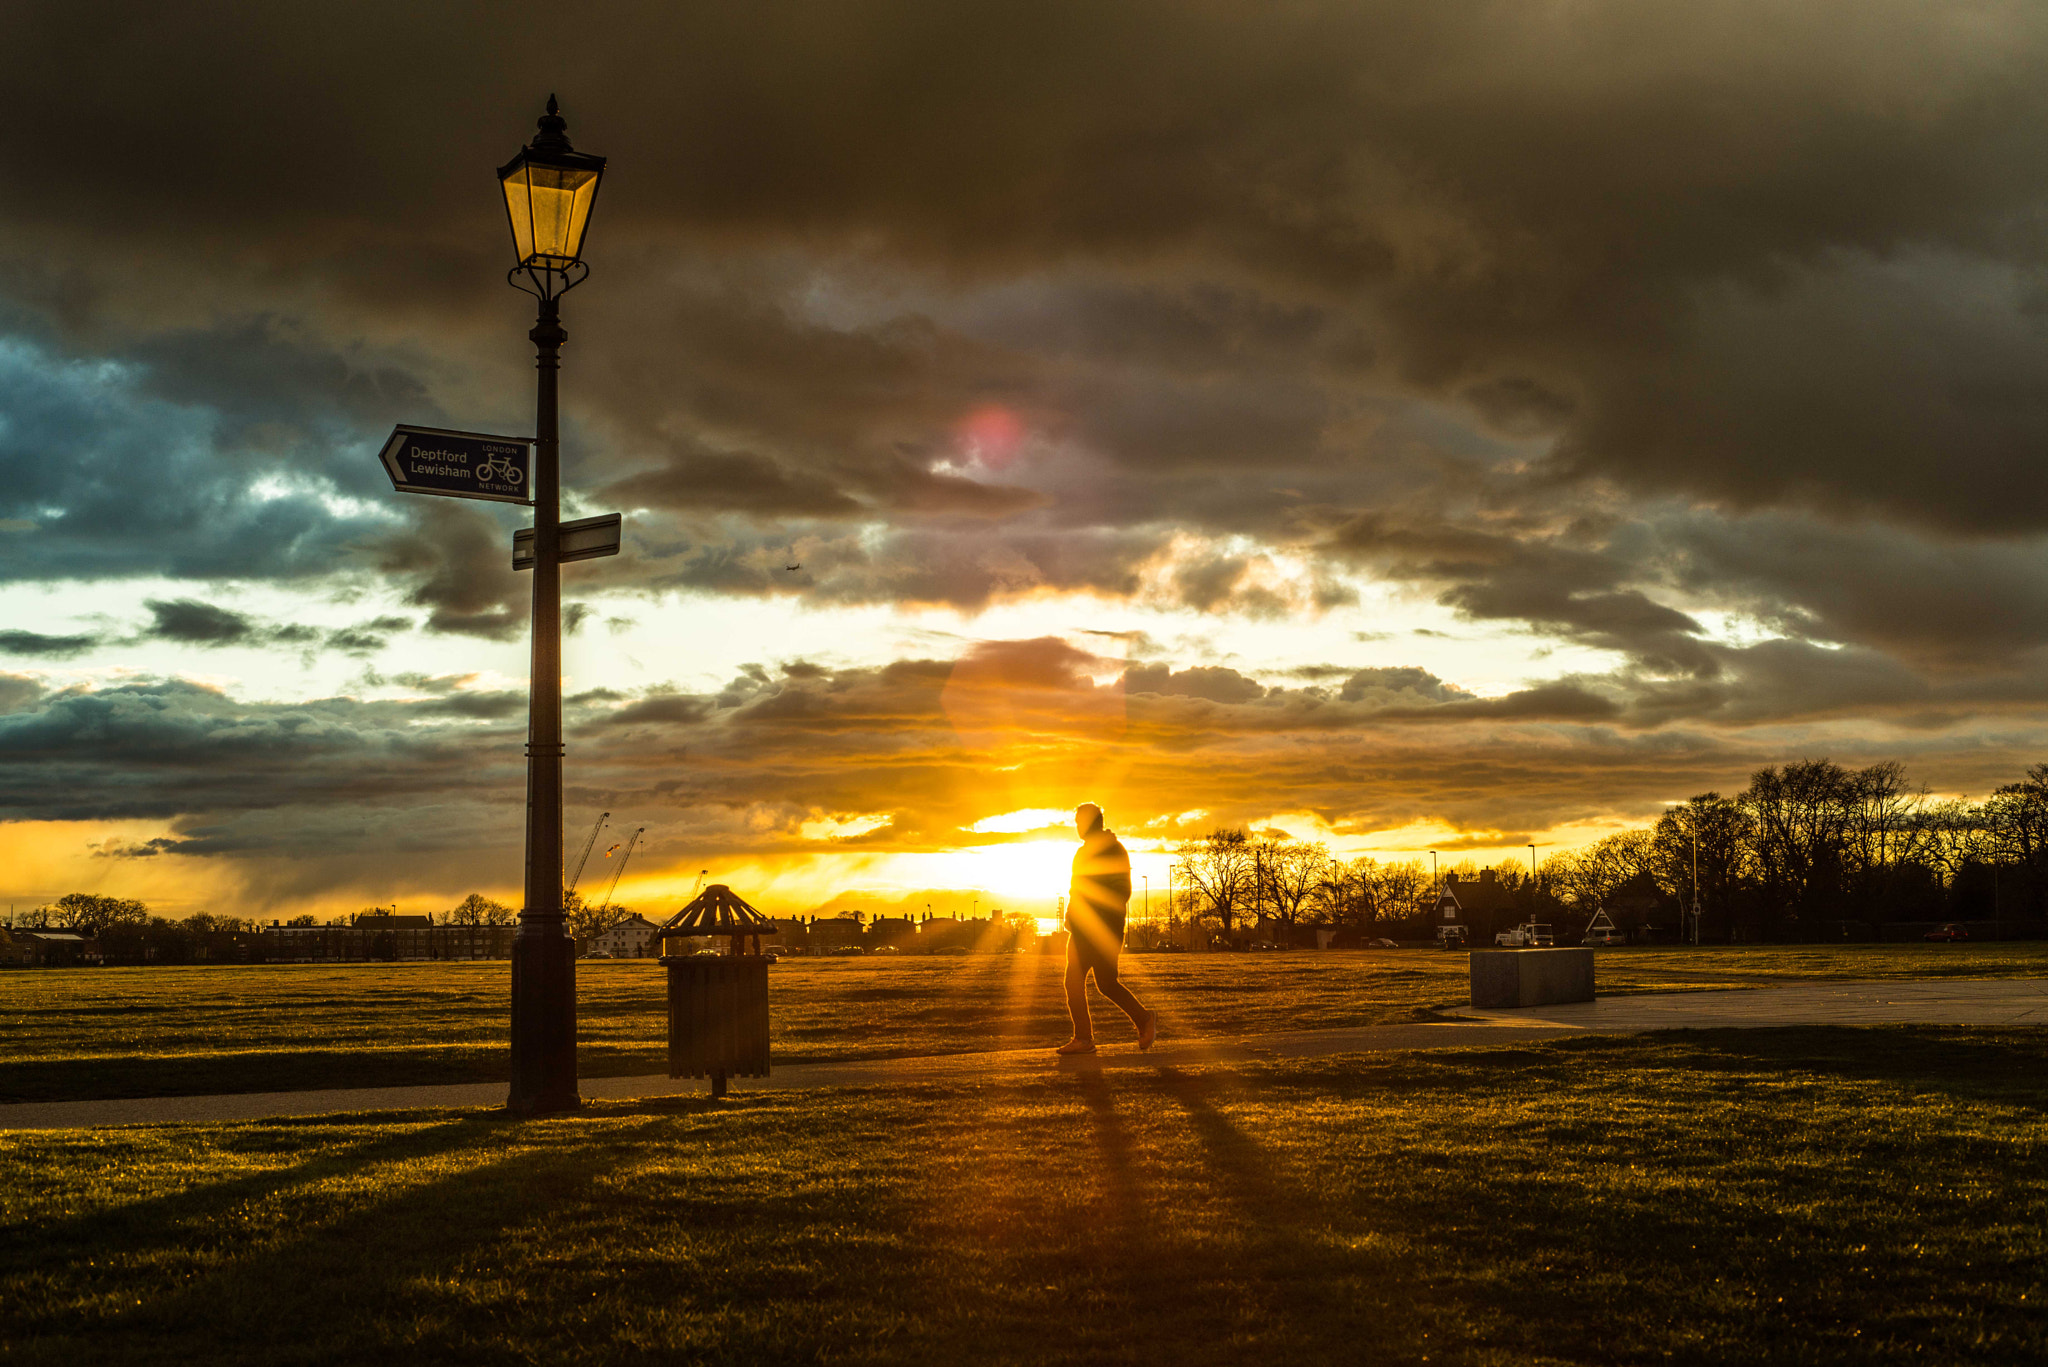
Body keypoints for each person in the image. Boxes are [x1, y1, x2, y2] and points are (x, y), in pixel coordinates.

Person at [1058, 802, 1157, 1055]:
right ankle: (1141, 1020)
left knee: (1100, 983)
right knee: (1096, 983)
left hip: (1102, 929)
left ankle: (1085, 1038)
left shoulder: (1113, 850)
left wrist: (1094, 913)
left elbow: (1121, 891)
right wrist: (1072, 918)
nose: (1077, 827)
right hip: (1083, 928)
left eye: (1079, 822)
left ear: (1089, 823)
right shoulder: (1083, 853)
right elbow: (1075, 889)